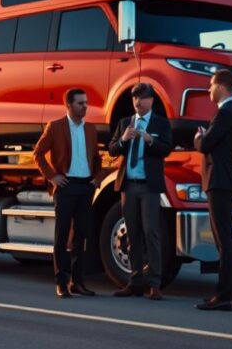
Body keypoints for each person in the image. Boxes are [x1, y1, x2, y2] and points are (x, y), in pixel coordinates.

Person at [33, 88, 102, 298]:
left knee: (81, 235)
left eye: (86, 102)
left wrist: (96, 180)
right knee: (62, 235)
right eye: (81, 103)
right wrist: (53, 176)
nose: (85, 106)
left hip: (85, 186)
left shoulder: (91, 129)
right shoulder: (55, 127)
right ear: (69, 105)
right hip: (65, 186)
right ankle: (61, 282)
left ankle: (77, 282)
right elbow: (38, 154)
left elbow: (97, 157)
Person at [107, 83, 173, 300]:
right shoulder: (125, 123)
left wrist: (150, 140)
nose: (138, 102)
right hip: (128, 185)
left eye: (142, 98)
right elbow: (112, 149)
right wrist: (123, 139)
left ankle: (155, 284)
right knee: (132, 234)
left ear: (151, 100)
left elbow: (166, 149)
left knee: (151, 233)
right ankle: (134, 282)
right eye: (135, 98)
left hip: (149, 186)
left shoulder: (161, 123)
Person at [194, 69, 232, 311]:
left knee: (223, 241)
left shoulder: (225, 113)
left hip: (220, 181)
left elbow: (205, 144)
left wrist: (198, 137)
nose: (208, 90)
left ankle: (223, 296)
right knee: (229, 241)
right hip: (228, 180)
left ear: (222, 86)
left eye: (211, 85)